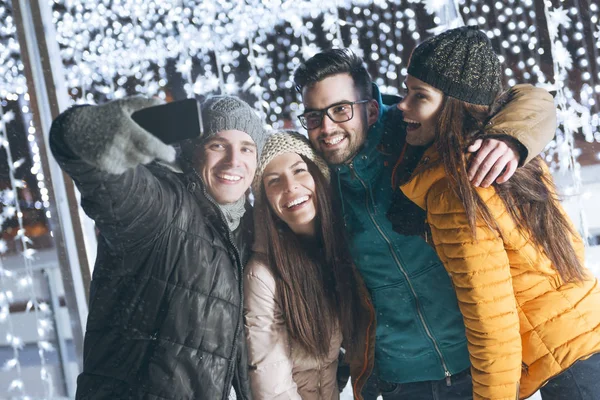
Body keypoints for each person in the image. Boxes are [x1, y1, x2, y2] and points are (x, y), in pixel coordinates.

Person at [293, 48, 557, 399]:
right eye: (313, 117)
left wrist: (511, 138)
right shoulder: (315, 184)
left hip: (478, 366)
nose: (327, 128)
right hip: (400, 379)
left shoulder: (417, 137)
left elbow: (532, 99)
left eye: (340, 110)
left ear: (371, 110)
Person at [389, 26, 600, 400]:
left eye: (418, 95)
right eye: (406, 90)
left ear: (454, 104)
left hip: (571, 368)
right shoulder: (513, 154)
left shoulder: (456, 187)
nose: (402, 105)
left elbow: (491, 323)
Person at [50, 95, 267, 400]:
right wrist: (81, 133)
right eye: (217, 145)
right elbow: (116, 186)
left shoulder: (252, 235)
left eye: (246, 148)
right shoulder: (164, 210)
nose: (234, 161)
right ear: (194, 151)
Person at [244, 131, 375, 399]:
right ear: (266, 202)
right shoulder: (263, 274)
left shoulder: (345, 248)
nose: (290, 187)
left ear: (319, 175)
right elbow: (271, 381)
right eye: (273, 181)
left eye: (299, 171)